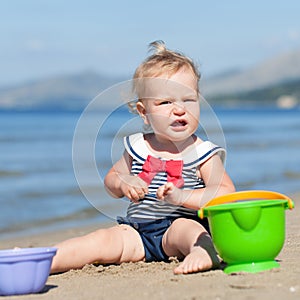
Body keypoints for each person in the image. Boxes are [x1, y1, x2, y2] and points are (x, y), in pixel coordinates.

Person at [51, 41, 235, 275]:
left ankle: (202, 252)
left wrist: (182, 196)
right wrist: (123, 181)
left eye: (188, 100)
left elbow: (225, 192)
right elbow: (112, 181)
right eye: (166, 102)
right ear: (144, 112)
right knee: (101, 240)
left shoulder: (201, 152)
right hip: (138, 232)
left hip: (176, 233)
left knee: (189, 231)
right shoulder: (138, 146)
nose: (179, 109)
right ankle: (47, 259)